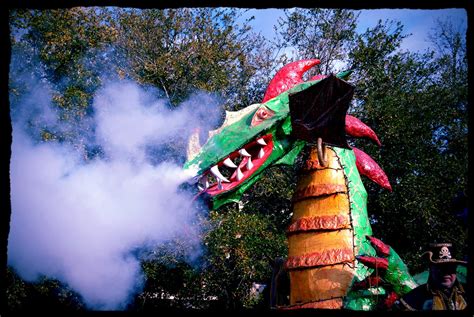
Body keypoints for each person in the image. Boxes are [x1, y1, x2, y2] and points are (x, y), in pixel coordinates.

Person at [396, 242, 467, 310]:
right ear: (430, 268)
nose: (446, 272)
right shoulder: (414, 297)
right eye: (440, 268)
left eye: (450, 267)